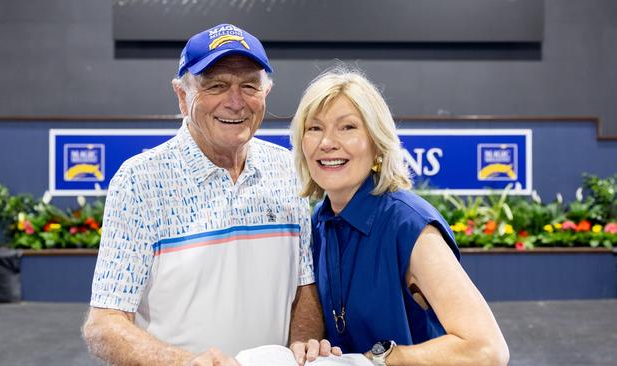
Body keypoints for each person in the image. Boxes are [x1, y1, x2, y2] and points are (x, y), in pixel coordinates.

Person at [82, 24, 328, 366]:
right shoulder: (140, 181)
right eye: (216, 86)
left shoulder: (288, 170)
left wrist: (304, 342)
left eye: (249, 86)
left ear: (266, 92)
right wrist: (182, 362)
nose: (235, 102)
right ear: (182, 96)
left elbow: (304, 285)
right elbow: (104, 324)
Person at [288, 68, 510, 366]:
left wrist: (382, 358)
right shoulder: (321, 222)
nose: (327, 142)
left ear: (377, 144)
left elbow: (487, 349)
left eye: (347, 127)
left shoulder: (408, 225)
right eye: (314, 128)